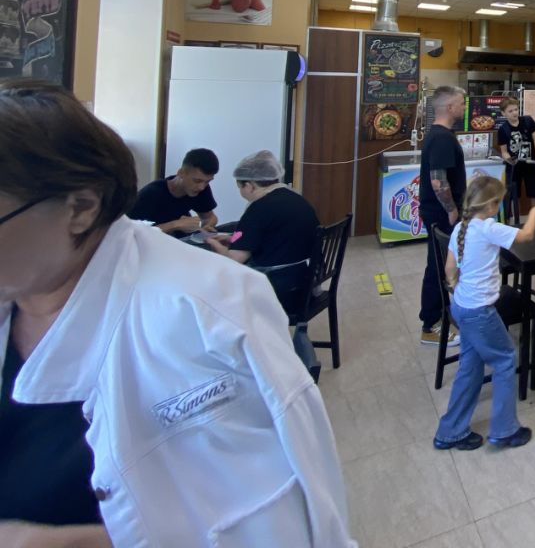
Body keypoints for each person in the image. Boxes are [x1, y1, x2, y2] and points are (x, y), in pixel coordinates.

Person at [0, 80, 353, 545]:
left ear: (82, 208)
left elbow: (290, 511)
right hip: (303, 283)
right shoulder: (283, 204)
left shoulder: (208, 311)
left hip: (280, 284)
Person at [434, 175, 535, 452]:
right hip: (480, 312)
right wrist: (534, 211)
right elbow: (527, 236)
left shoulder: (461, 228)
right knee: (506, 359)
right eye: (498, 202)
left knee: (470, 365)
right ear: (490, 206)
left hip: (461, 307)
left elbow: (449, 269)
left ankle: (450, 431)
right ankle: (505, 430)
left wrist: (458, 286)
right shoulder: (489, 228)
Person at [204, 150, 318, 317]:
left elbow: (233, 260)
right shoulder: (296, 198)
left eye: (240, 187)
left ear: (249, 185)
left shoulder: (258, 209)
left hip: (279, 290)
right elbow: (263, 235)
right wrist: (232, 238)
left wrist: (212, 243)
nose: (241, 193)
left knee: (212, 288)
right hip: (307, 283)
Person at [419, 86, 467, 348]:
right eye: (461, 103)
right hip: (441, 214)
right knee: (438, 266)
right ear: (449, 107)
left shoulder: (440, 134)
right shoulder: (442, 138)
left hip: (438, 212)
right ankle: (431, 325)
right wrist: (451, 210)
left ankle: (442, 315)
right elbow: (438, 181)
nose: (464, 107)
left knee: (441, 264)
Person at [126, 147, 219, 235]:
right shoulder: (151, 194)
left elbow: (210, 217)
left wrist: (205, 228)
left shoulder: (201, 189)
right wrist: (176, 224)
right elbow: (130, 231)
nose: (201, 187)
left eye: (207, 181)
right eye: (197, 181)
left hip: (180, 240)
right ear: (181, 173)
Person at [496, 97, 535, 216]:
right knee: (514, 194)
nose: (514, 113)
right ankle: (516, 218)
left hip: (530, 163)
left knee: (534, 192)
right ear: (503, 113)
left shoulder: (527, 121)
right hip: (514, 167)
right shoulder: (503, 129)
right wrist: (510, 160)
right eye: (510, 111)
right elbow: (504, 151)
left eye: (516, 109)